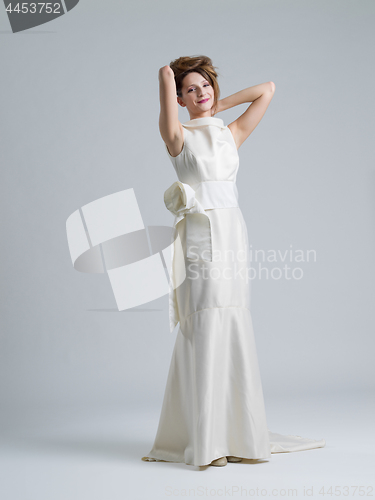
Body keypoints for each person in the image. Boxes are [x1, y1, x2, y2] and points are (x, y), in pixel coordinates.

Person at [142, 55, 325, 467]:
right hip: (199, 235)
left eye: (205, 85)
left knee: (232, 319)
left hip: (232, 234)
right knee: (205, 321)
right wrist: (170, 78)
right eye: (191, 89)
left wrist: (218, 104)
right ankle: (207, 442)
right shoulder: (177, 136)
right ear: (180, 99)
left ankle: (234, 435)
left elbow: (267, 89)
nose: (200, 93)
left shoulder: (230, 133)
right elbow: (166, 84)